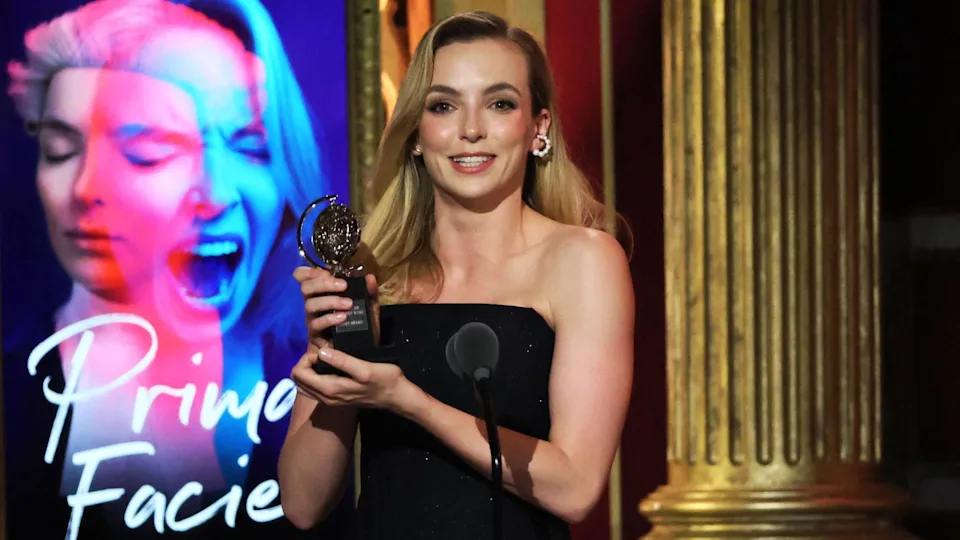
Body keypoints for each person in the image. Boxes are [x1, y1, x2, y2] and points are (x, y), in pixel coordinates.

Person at [4, 0, 354, 537]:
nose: (214, 195)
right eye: (152, 151)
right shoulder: (18, 394)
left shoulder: (320, 371)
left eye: (251, 145)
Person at [280, 11, 635, 539]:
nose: (471, 130)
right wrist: (334, 363)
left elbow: (576, 487)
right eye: (444, 105)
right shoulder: (371, 275)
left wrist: (410, 402)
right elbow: (302, 505)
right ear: (417, 135)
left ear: (538, 128)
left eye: (499, 104)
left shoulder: (583, 262)